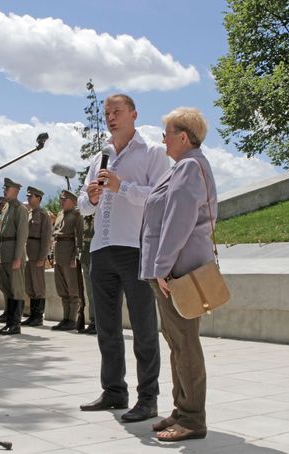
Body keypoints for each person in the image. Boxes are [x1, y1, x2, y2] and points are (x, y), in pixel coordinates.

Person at [78, 94, 170, 422]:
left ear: (134, 114)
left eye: (117, 112)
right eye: (106, 113)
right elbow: (84, 205)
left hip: (135, 249)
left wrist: (123, 186)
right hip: (100, 250)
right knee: (106, 327)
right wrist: (89, 197)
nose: (110, 117)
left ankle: (149, 398)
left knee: (144, 327)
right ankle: (114, 391)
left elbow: (162, 198)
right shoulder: (100, 155)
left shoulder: (153, 153)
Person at [140, 107, 215, 441]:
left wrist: (162, 267)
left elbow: (178, 221)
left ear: (183, 137)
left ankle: (193, 419)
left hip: (177, 272)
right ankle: (182, 409)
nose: (163, 141)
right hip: (172, 270)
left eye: (166, 134)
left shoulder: (188, 166)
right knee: (176, 343)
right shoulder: (183, 167)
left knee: (185, 343)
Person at [0, 178, 29, 335]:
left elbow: (22, 235)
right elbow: (1, 235)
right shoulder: (7, 207)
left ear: (15, 190)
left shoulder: (20, 209)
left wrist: (17, 258)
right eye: (4, 188)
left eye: (7, 188)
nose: (4, 190)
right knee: (8, 289)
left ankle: (15, 324)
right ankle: (9, 322)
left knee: (16, 289)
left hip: (15, 253)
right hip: (5, 254)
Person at [51, 190, 83, 331]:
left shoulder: (77, 215)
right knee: (62, 288)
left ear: (73, 201)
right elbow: (55, 236)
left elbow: (79, 238)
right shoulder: (60, 215)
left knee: (72, 289)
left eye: (64, 199)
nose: (61, 201)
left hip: (69, 254)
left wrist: (75, 257)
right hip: (59, 254)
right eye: (61, 199)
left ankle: (72, 319)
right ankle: (65, 318)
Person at [22, 186, 52, 326]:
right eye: (28, 196)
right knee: (30, 286)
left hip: (36, 254)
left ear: (38, 198)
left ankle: (38, 316)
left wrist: (42, 257)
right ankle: (33, 315)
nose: (28, 198)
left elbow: (46, 238)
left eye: (31, 196)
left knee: (38, 286)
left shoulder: (43, 214)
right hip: (28, 254)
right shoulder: (29, 213)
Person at [78, 214, 96, 335]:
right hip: (85, 257)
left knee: (96, 293)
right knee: (89, 293)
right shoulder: (84, 218)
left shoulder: (99, 216)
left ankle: (98, 322)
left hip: (96, 257)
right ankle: (93, 320)